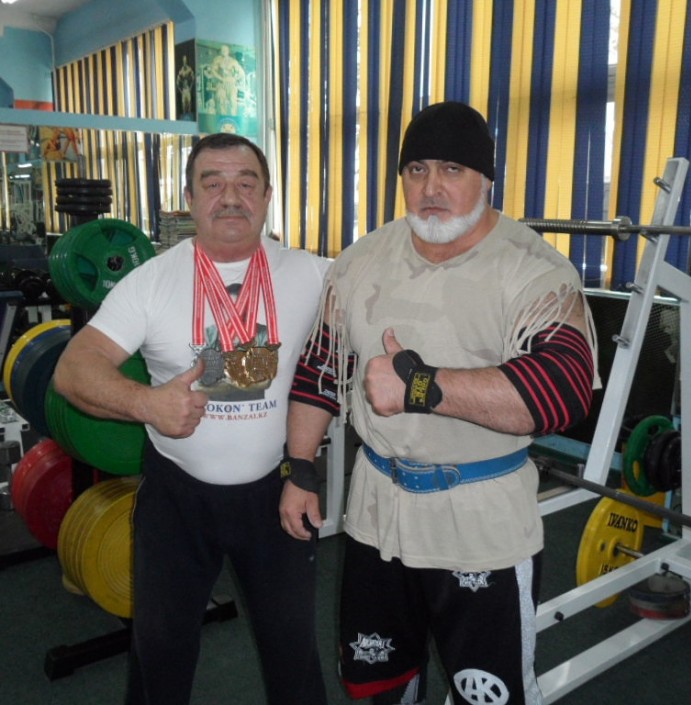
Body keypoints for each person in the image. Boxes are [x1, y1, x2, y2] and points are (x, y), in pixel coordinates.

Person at [279, 102, 599, 705]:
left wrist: (420, 387)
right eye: (417, 169)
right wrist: (299, 468)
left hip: (479, 522)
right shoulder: (360, 261)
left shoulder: (533, 270)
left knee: (488, 696)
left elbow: (562, 391)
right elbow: (320, 369)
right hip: (377, 512)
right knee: (378, 686)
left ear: (486, 179)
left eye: (452, 169)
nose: (431, 188)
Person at [53, 132, 329, 705]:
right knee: (160, 652)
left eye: (246, 183)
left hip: (276, 494)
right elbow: (73, 369)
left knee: (293, 649)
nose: (230, 197)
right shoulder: (152, 281)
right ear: (189, 198)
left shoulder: (314, 275)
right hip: (176, 498)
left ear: (268, 195)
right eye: (213, 183)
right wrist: (146, 403)